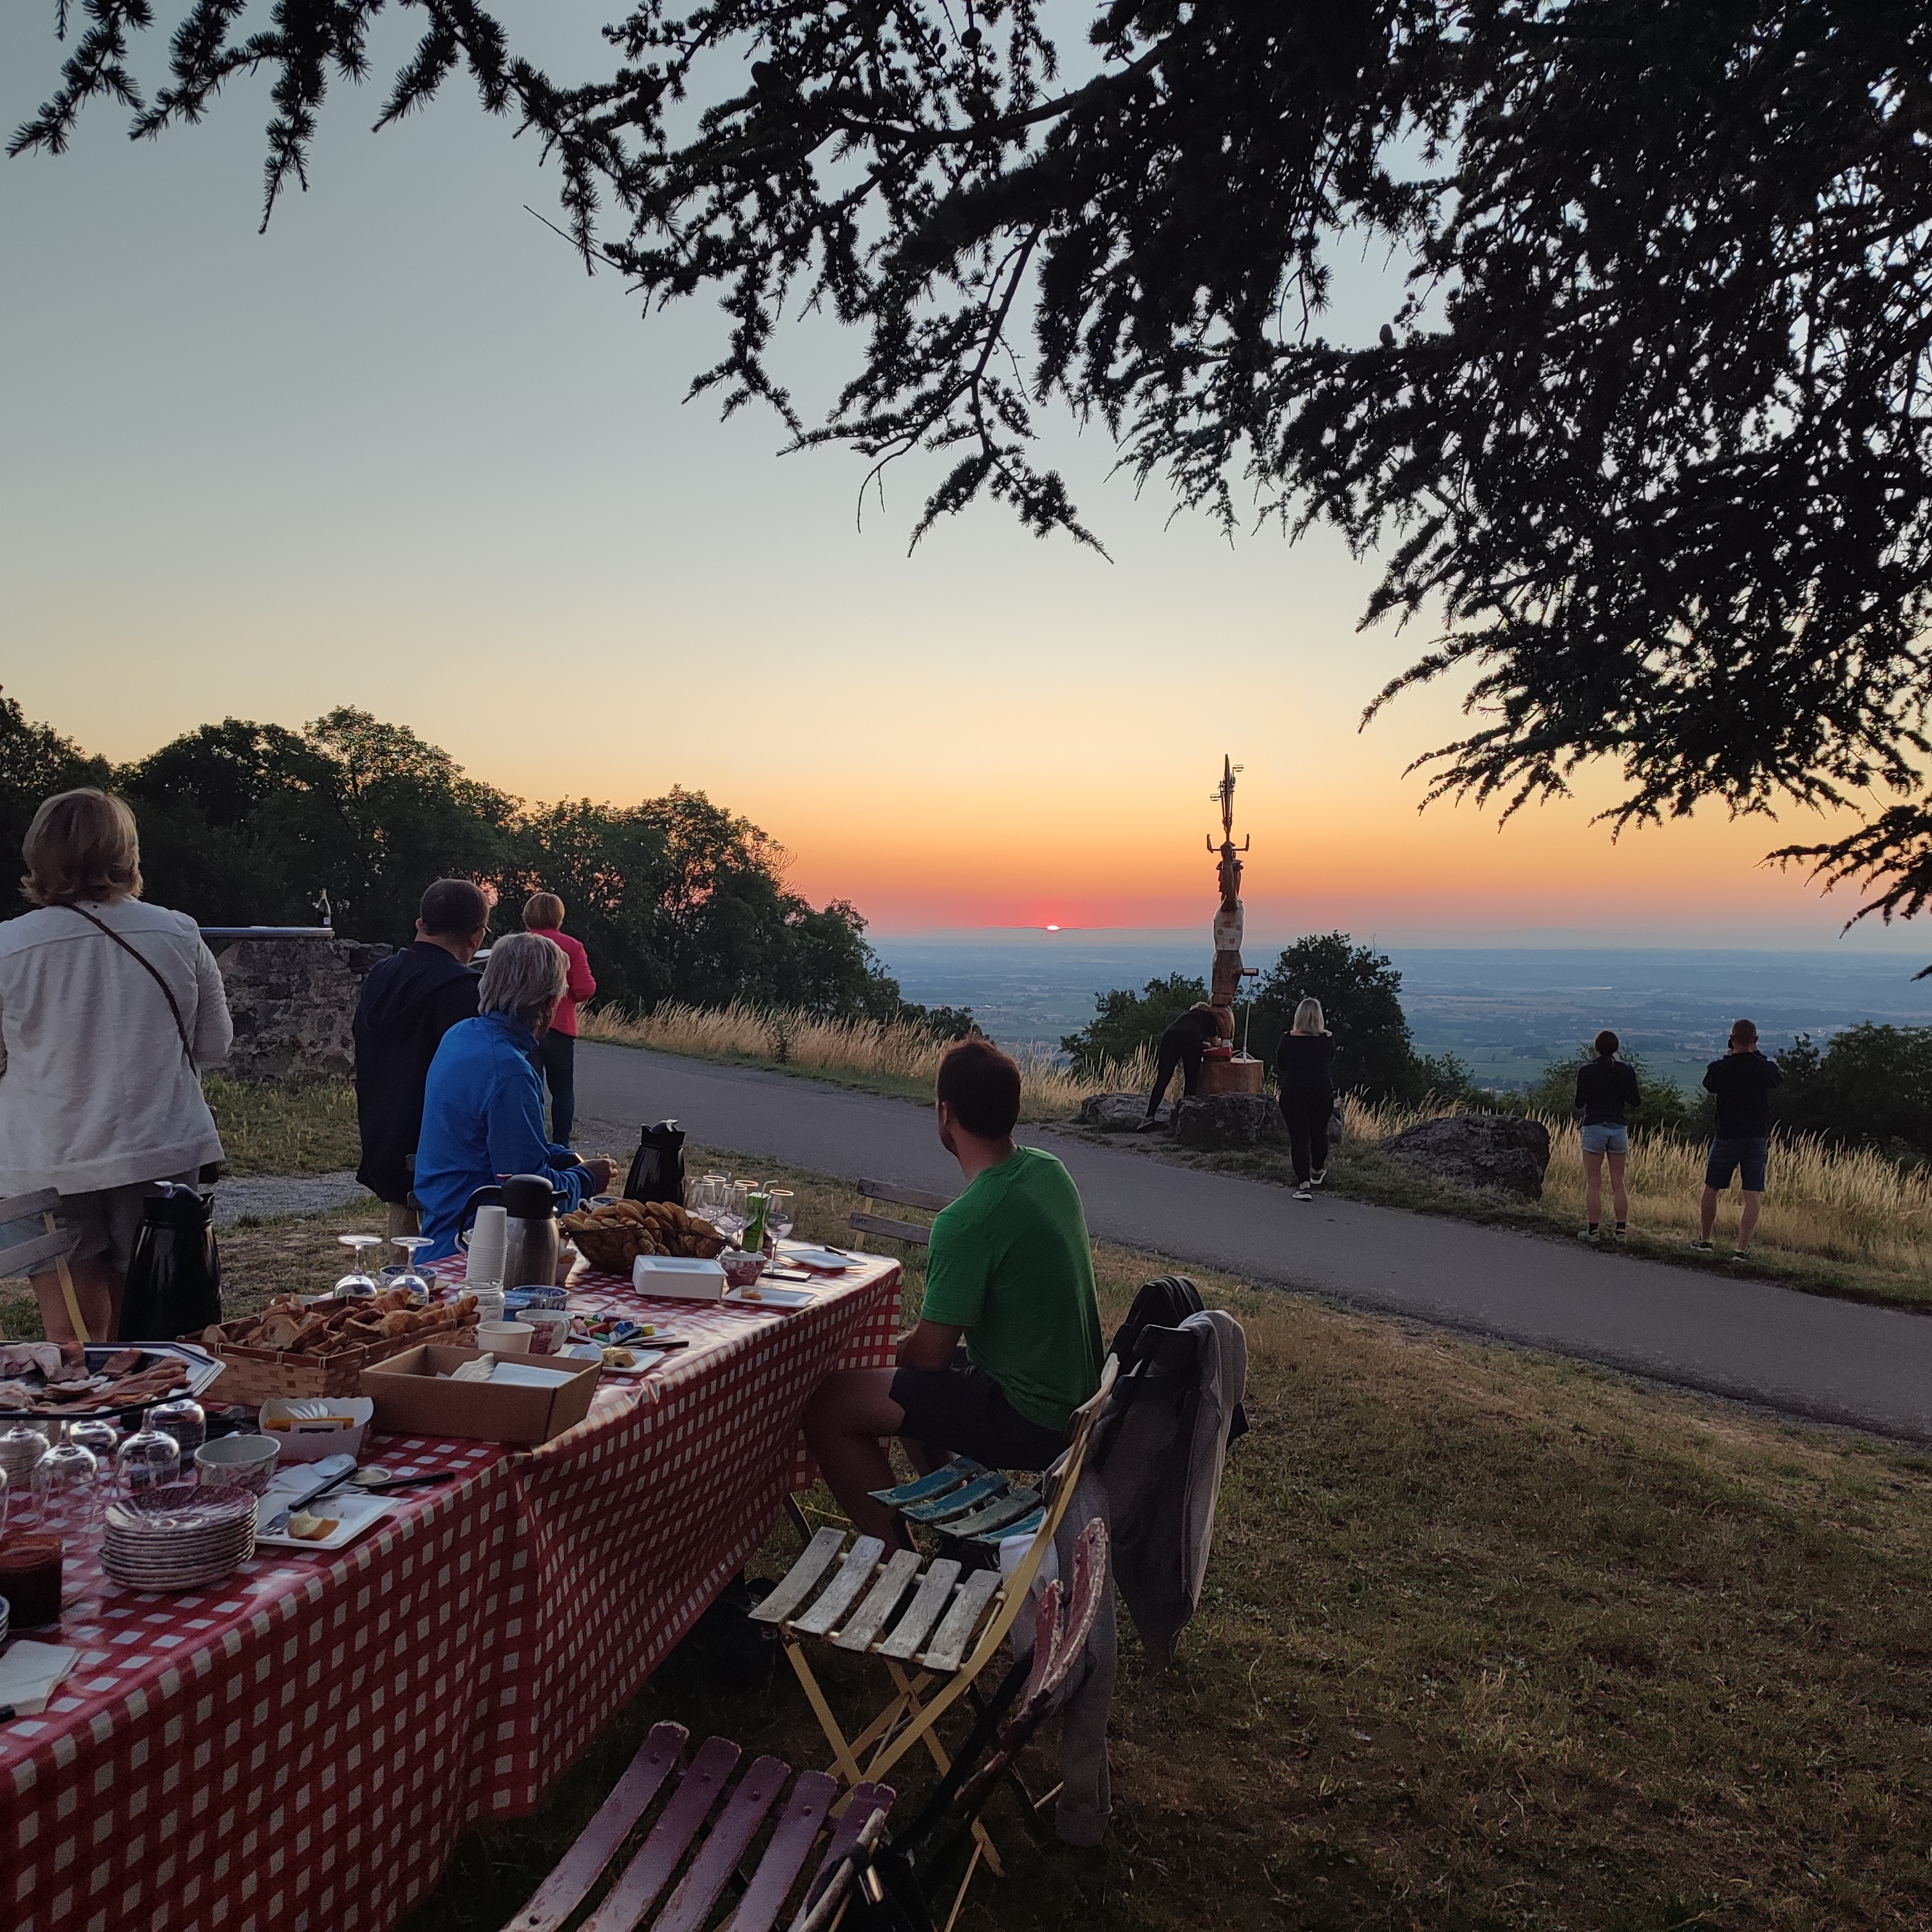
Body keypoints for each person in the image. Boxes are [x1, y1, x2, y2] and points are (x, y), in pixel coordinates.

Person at [803, 1038, 1104, 1546]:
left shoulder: (968, 1220)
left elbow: (928, 1357)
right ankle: (957, 1531)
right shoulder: (1049, 1171)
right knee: (908, 1386)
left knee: (830, 1404)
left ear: (946, 1114)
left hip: (1030, 1416)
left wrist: (884, 1354)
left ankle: (900, 1561)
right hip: (1075, 1393)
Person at [0, 788, 233, 1342]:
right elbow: (213, 1045)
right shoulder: (177, 932)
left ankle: (92, 1425)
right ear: (126, 852)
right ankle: (163, 1421)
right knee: (159, 1325)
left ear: (40, 854)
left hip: (51, 1159)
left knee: (75, 1336)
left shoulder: (8, 947)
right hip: (161, 1147)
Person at [412, 933, 614, 1262]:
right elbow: (529, 1194)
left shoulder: (460, 1034)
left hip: (439, 1231)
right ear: (550, 1003)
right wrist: (587, 1179)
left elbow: (487, 1142)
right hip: (475, 1251)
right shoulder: (510, 1071)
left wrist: (559, 1154)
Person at [352, 878, 490, 1240]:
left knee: (401, 1244)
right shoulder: (463, 989)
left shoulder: (380, 974)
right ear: (476, 937)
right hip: (437, 1149)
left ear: (420, 924)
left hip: (382, 1137)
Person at [1696, 1018, 1783, 1257]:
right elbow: (1776, 1079)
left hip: (1726, 1135)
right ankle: (1741, 1248)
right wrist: (1756, 1055)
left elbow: (1710, 1085)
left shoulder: (1720, 1068)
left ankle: (1705, 1240)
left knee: (1711, 1187)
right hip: (1756, 1136)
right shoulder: (1765, 1068)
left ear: (1732, 1040)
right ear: (1755, 1040)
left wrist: (1730, 1055)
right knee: (1751, 1194)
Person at [520, 891, 596, 1145]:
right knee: (562, 1090)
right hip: (561, 1028)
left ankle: (532, 1138)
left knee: (529, 1086)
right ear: (559, 916)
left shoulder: (519, 944)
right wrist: (567, 995)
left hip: (524, 1026)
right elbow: (586, 988)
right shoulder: (573, 947)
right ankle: (561, 1143)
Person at [1575, 1029, 1641, 1244]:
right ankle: (1620, 1230)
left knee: (1594, 1182)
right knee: (1618, 1182)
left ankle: (1593, 1231)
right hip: (1618, 1127)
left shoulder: (1586, 1071)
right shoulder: (1626, 1070)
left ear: (1596, 1048)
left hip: (1594, 1125)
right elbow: (1636, 1101)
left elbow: (1579, 1102)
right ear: (1616, 1048)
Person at [1275, 997, 1337, 1200]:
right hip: (1321, 1091)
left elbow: (1281, 1064)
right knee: (1319, 1132)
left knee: (1299, 1137)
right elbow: (1329, 1060)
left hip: (1294, 1091)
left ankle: (1304, 1185)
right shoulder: (1328, 1039)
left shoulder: (1287, 1038)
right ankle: (1318, 1170)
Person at [1139, 999, 1227, 1128]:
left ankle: (1149, 1116)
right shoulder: (1208, 1017)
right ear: (1206, 1010)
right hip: (1192, 1040)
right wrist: (1225, 1042)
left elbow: (1184, 1032)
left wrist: (1202, 1042)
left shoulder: (1186, 1016)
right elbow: (1215, 1043)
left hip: (1169, 1037)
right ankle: (1184, 1117)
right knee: (1191, 1078)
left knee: (1163, 1079)